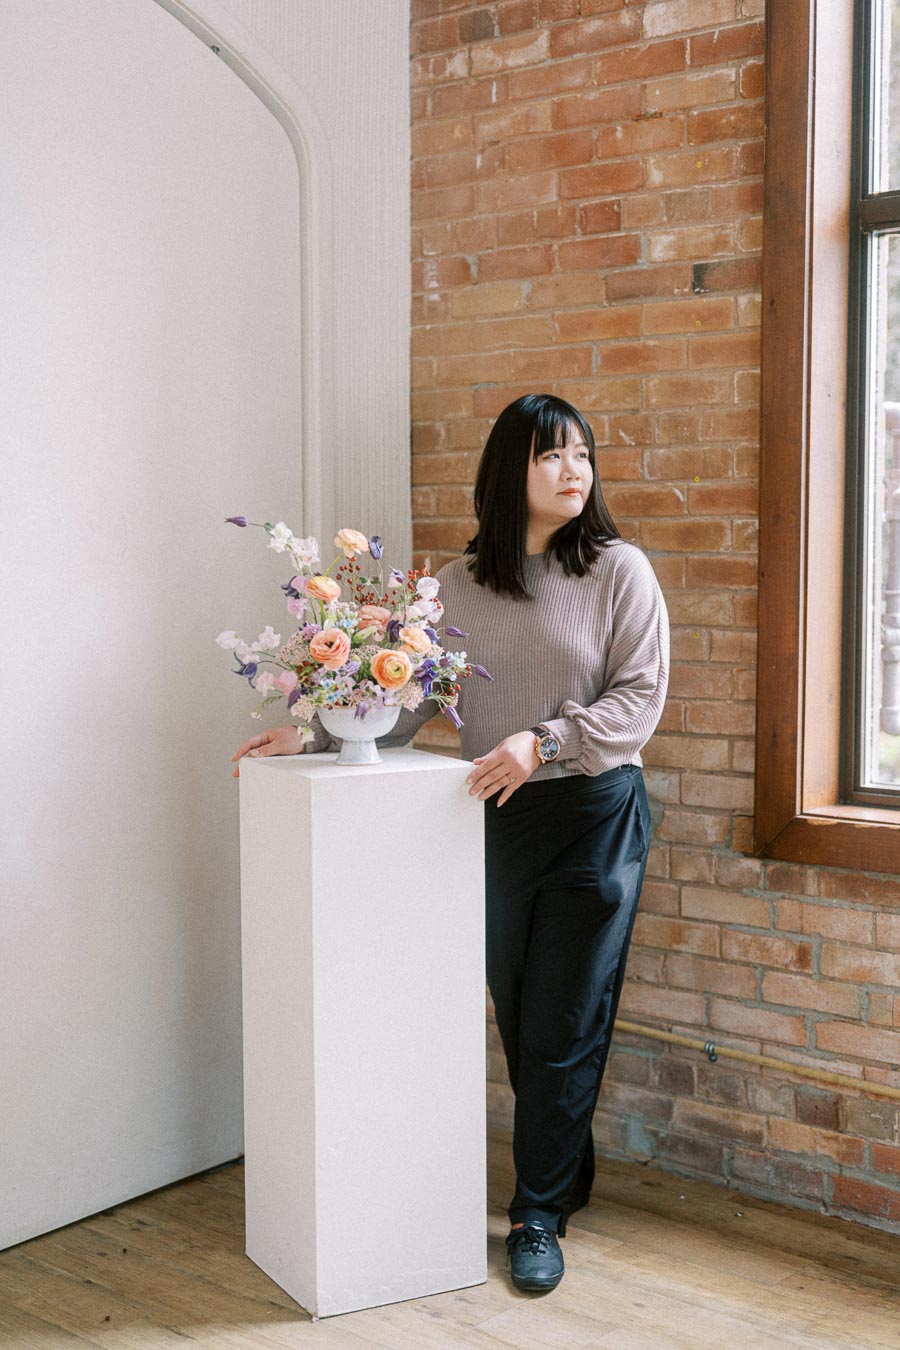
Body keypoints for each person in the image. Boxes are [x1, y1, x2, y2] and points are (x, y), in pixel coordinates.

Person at [231, 393, 669, 1296]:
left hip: (592, 815)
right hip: (493, 825)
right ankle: (566, 1177)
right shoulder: (460, 585)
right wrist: (311, 734)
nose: (574, 470)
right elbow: (418, 702)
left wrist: (542, 740)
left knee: (562, 1022)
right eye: (552, 456)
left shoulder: (621, 571)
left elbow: (640, 698)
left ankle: (536, 1214)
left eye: (582, 454)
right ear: (510, 472)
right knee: (521, 1014)